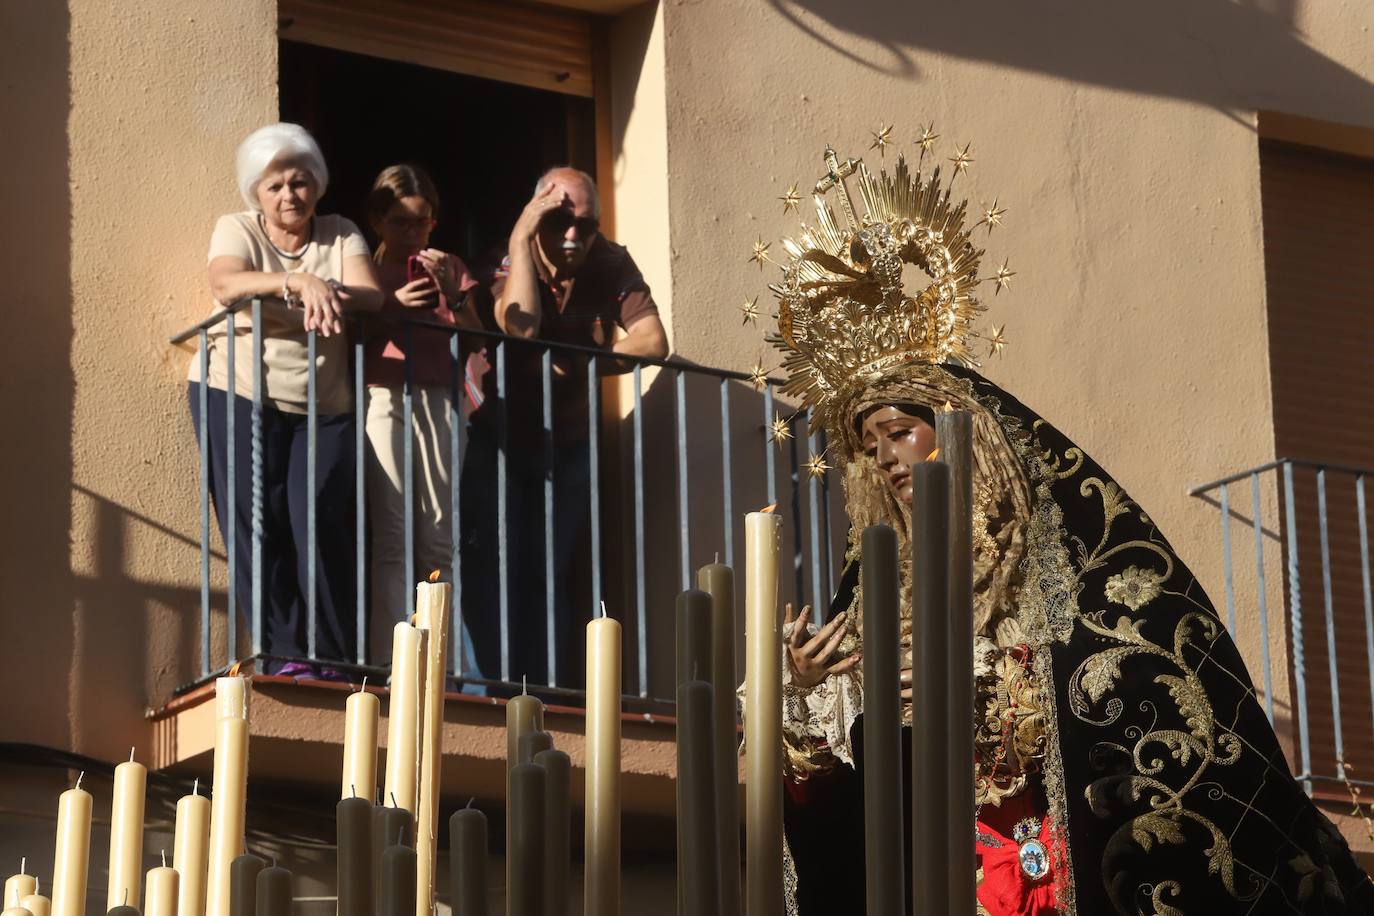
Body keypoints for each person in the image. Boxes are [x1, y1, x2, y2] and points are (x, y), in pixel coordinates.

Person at [757, 141, 1374, 914]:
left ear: (960, 432)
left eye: (898, 431)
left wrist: (989, 695)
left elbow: (1135, 700)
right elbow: (850, 810)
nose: (883, 457)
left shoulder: (1071, 569)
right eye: (867, 446)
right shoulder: (873, 599)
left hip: (1049, 876)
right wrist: (808, 694)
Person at [461, 167, 668, 690]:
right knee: (492, 567)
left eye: (587, 225)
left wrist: (580, 364)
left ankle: (540, 694)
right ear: (535, 219)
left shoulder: (610, 260)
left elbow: (652, 341)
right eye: (559, 222)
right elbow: (521, 325)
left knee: (548, 571)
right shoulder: (506, 257)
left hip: (568, 443)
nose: (574, 235)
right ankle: (489, 693)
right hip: (496, 439)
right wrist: (520, 239)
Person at [188, 122, 382, 676]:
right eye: (274, 186)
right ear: (257, 192)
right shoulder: (237, 227)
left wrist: (327, 286)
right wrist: (298, 282)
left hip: (326, 402)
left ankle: (332, 657)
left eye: (299, 182)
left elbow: (371, 295)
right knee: (256, 522)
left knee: (318, 518)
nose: (288, 195)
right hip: (238, 389)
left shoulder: (341, 233)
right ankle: (285, 656)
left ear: (316, 183)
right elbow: (226, 283)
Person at [362, 164, 479, 649]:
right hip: (384, 395)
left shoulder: (449, 264)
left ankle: (441, 665)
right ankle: (392, 662)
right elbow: (350, 335)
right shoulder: (365, 270)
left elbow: (478, 336)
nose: (413, 233)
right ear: (377, 222)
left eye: (422, 222)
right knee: (392, 536)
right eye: (400, 222)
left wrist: (453, 293)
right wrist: (391, 306)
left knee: (438, 540)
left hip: (442, 400)